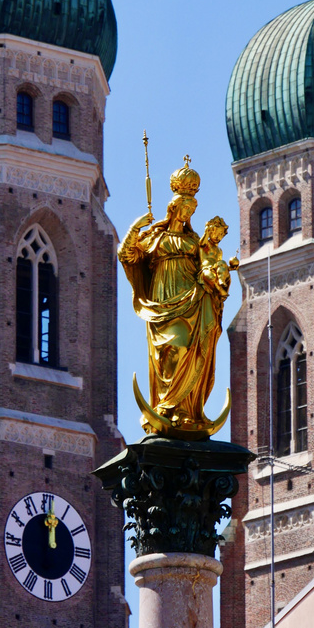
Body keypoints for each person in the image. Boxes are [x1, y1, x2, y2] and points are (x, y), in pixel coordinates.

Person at [118, 163, 235, 433]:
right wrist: (136, 227)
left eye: (192, 209)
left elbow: (209, 266)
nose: (188, 213)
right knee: (170, 350)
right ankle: (164, 405)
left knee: (190, 349)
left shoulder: (196, 242)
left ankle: (187, 411)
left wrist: (218, 278)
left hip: (193, 299)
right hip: (162, 300)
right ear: (174, 208)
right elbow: (127, 256)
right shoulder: (155, 237)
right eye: (185, 207)